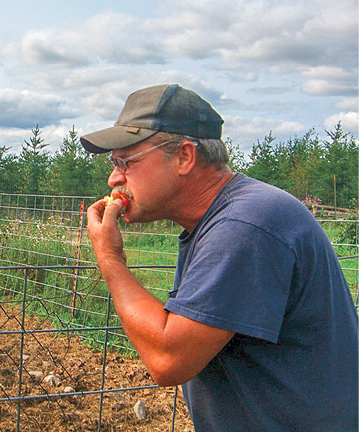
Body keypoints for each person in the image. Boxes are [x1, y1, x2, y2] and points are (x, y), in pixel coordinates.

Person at [81, 84, 358, 431]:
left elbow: (168, 359)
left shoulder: (245, 225)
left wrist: (109, 257)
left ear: (184, 156)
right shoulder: (227, 217)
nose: (114, 178)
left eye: (126, 162)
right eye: (113, 162)